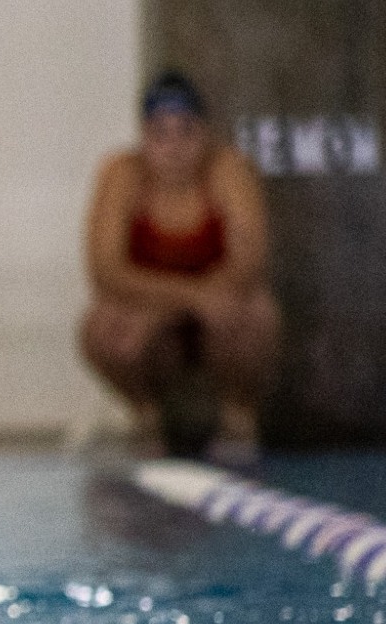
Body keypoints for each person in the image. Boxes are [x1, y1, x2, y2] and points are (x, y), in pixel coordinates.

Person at [80, 71, 279, 465]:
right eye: (160, 134)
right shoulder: (122, 174)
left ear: (204, 134)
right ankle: (146, 415)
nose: (173, 147)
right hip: (159, 321)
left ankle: (238, 415)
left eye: (185, 133)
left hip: (215, 319)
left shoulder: (228, 170)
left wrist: (196, 302)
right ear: (143, 137)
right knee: (106, 329)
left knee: (257, 315)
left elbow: (250, 259)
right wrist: (186, 299)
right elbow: (104, 269)